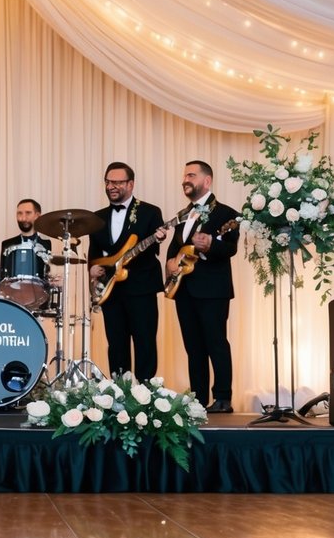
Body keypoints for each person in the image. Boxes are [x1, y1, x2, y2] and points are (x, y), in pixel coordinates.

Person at [165, 160, 240, 413]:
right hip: (184, 289)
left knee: (216, 343)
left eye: (191, 175)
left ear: (207, 181)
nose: (185, 180)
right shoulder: (183, 214)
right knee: (193, 346)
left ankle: (223, 398)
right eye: (185, 176)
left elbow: (230, 248)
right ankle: (197, 399)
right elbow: (175, 247)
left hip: (212, 289)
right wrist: (170, 263)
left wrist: (210, 245)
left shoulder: (227, 214)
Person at [88, 162, 166, 381]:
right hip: (111, 290)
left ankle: (146, 391)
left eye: (117, 182)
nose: (111, 186)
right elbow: (94, 252)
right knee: (116, 344)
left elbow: (154, 250)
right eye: (108, 182)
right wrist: (92, 267)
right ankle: (119, 391)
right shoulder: (97, 217)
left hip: (141, 288)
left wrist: (158, 238)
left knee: (145, 342)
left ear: (130, 184)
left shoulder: (150, 212)